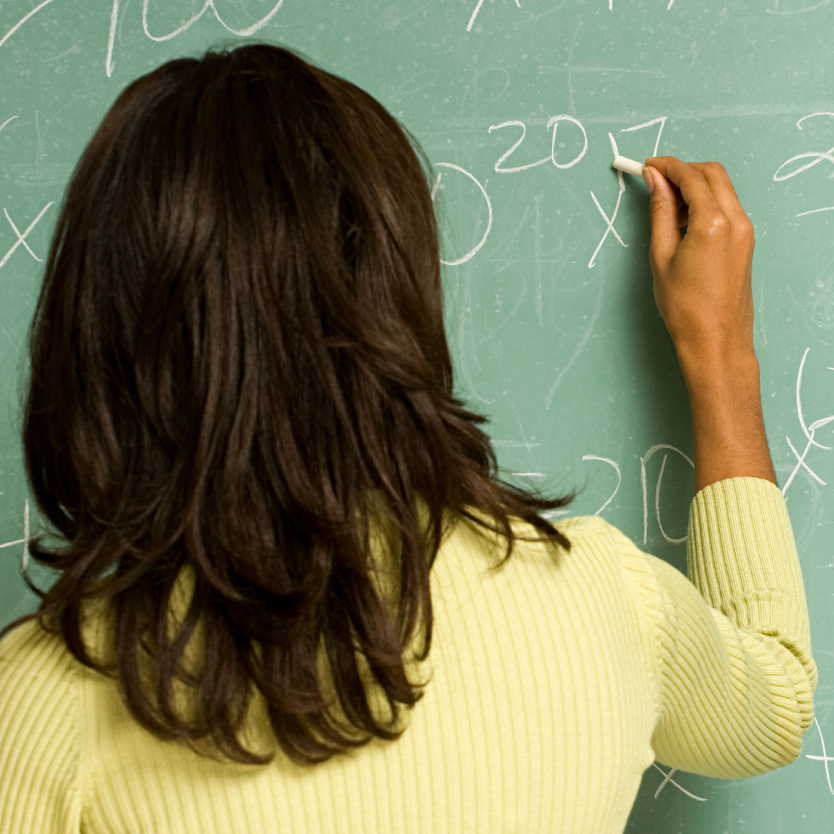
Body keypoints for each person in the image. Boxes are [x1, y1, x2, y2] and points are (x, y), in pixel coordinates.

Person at [0, 43, 816, 834]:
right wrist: (721, 354)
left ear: (97, 330)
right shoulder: (608, 604)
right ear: (397, 286)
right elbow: (775, 699)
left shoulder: (53, 700)